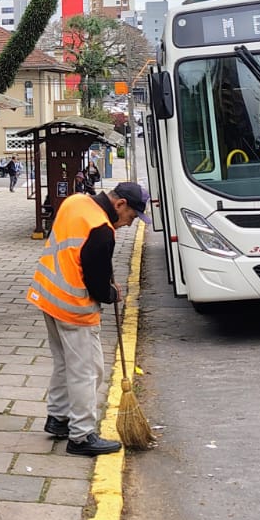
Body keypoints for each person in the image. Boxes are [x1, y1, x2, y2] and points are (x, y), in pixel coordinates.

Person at [26, 181, 150, 458]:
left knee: (63, 362)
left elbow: (76, 252)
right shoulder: (102, 230)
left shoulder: (75, 201)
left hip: (48, 295)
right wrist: (111, 293)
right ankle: (81, 436)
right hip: (74, 306)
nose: (128, 224)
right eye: (131, 217)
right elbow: (97, 286)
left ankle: (58, 418)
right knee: (88, 371)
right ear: (120, 204)